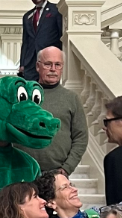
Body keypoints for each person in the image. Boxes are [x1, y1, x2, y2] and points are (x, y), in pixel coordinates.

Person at [21, 46, 87, 175]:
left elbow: (81, 137)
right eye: (48, 64)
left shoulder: (71, 98)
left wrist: (67, 168)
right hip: (23, 171)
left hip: (57, 173)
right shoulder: (22, 95)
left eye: (58, 65)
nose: (53, 69)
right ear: (37, 66)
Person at [19, 0, 63, 83]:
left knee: (49, 89)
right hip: (30, 62)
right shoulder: (27, 16)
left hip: (49, 61)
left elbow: (61, 35)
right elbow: (25, 42)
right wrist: (22, 63)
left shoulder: (56, 10)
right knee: (31, 90)